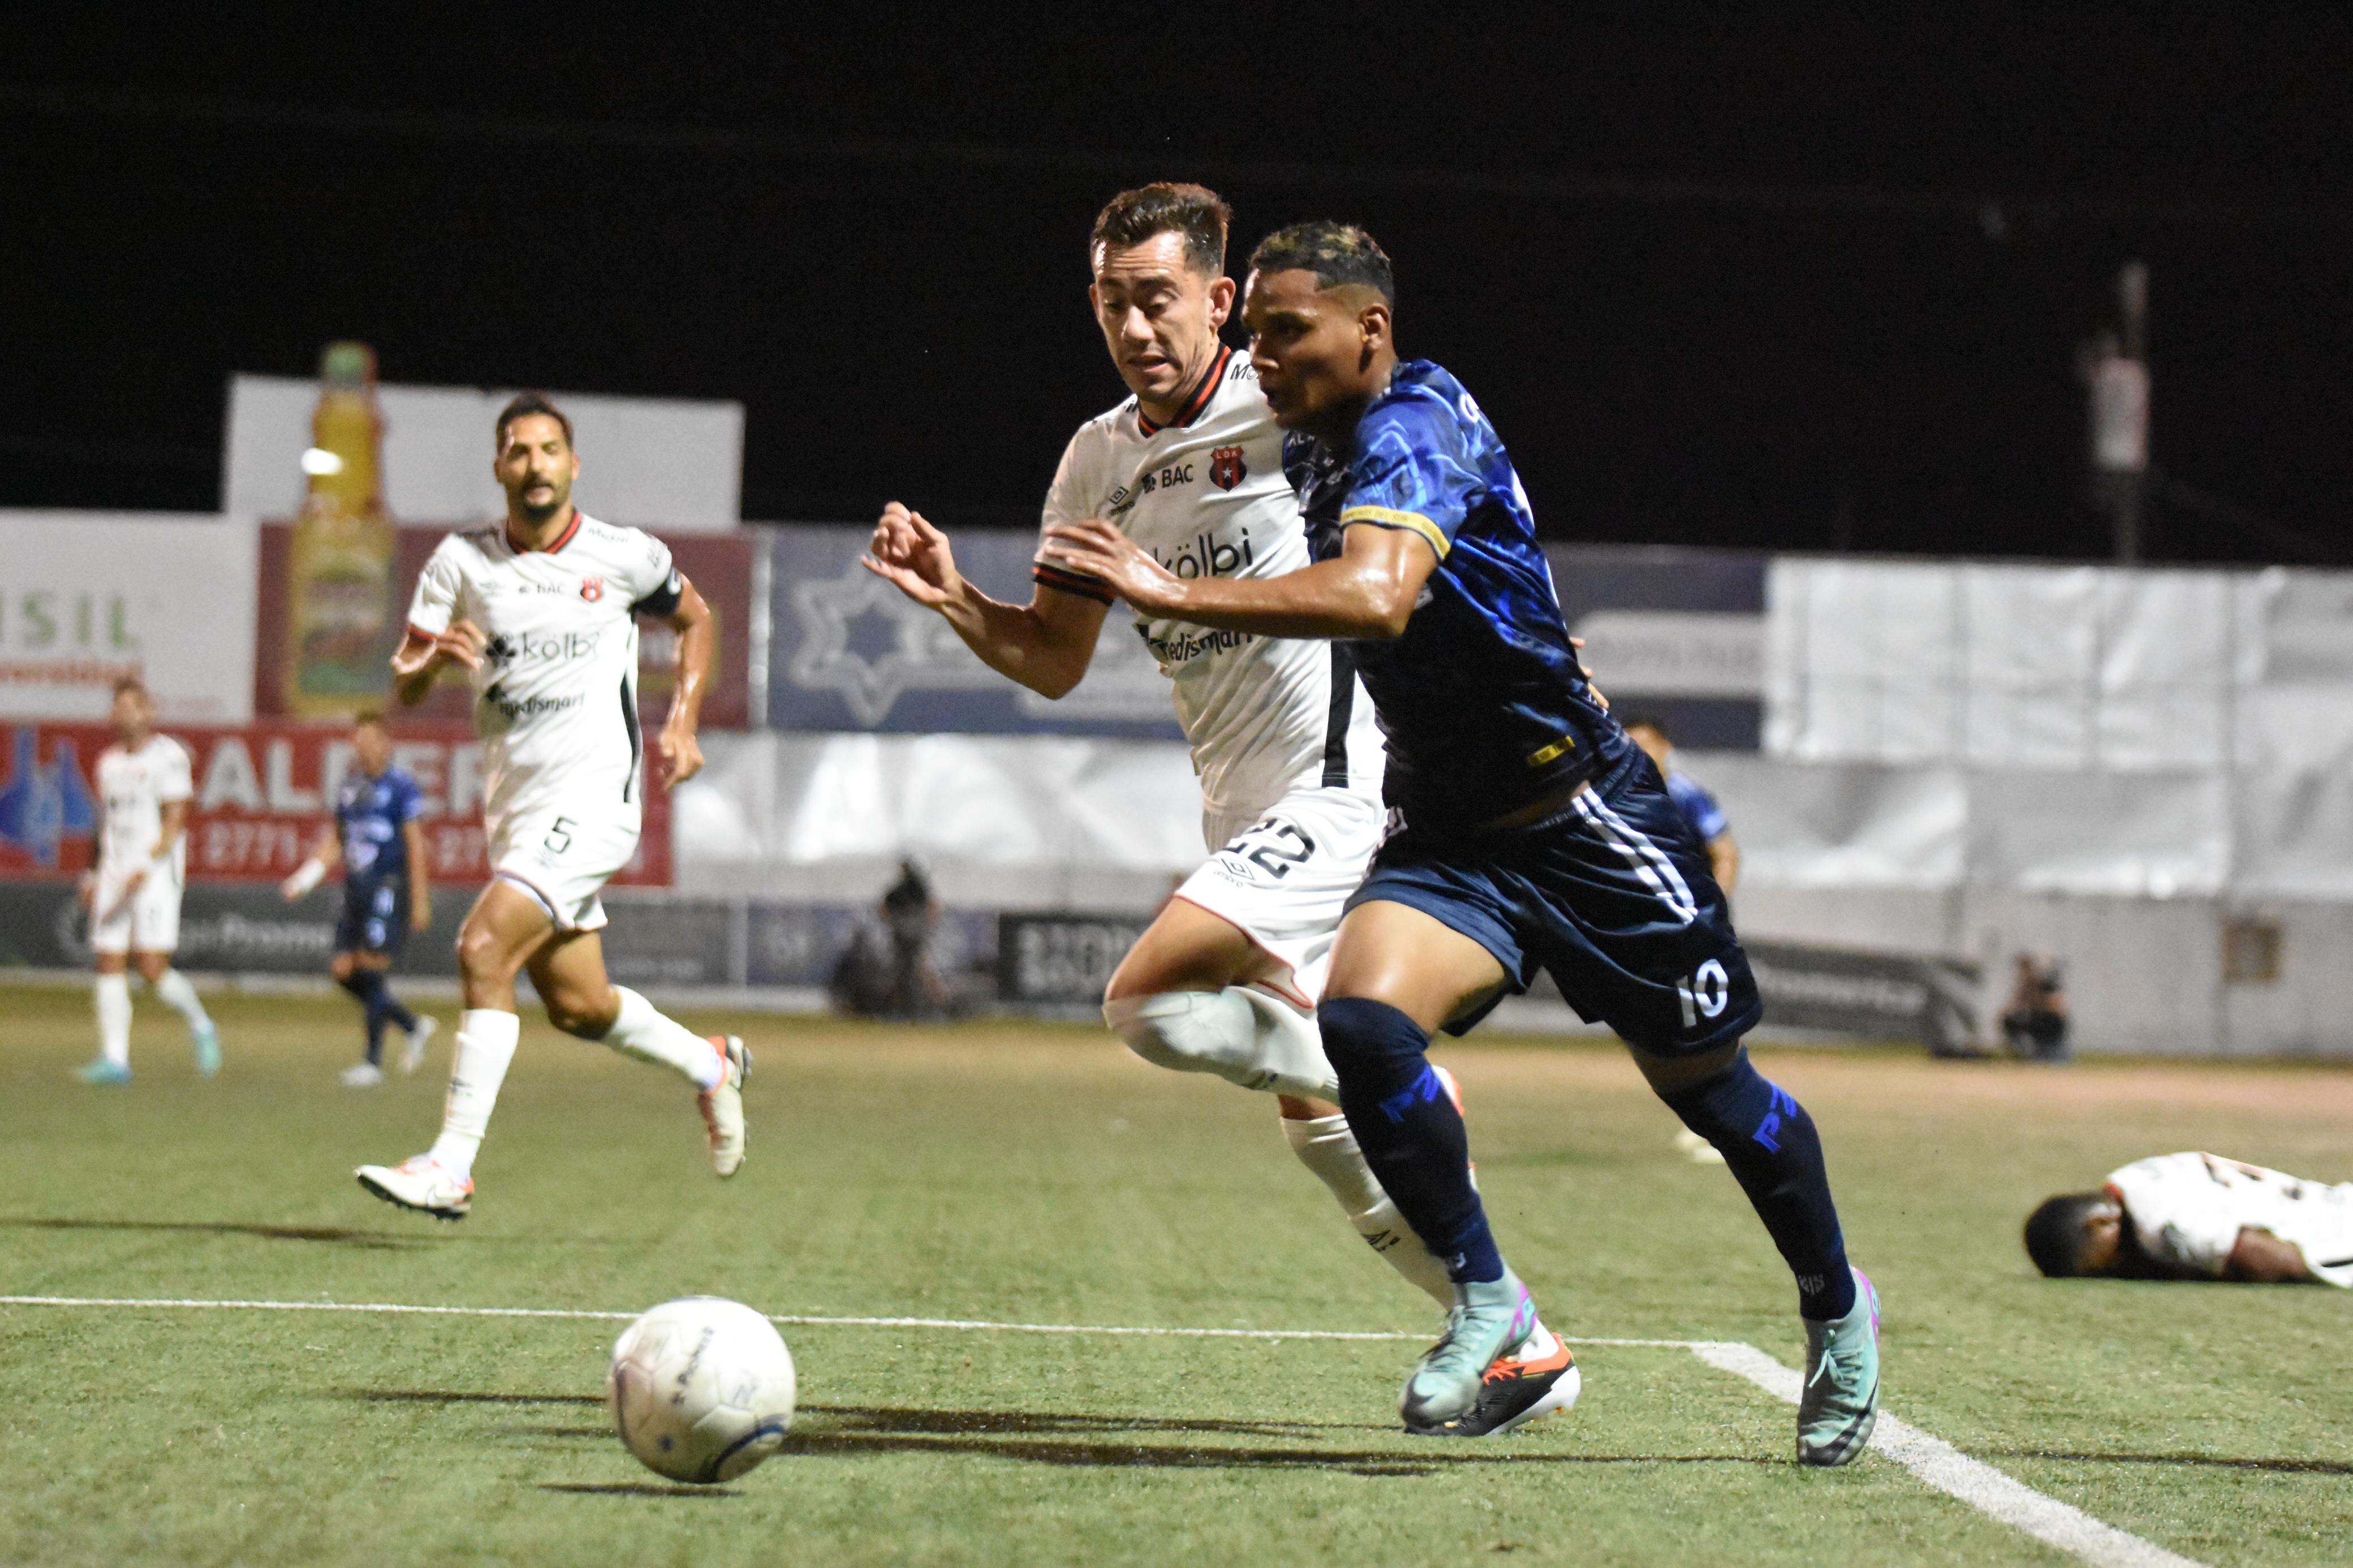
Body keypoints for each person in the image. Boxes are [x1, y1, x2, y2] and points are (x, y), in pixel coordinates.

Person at [1040, 221, 1880, 1465]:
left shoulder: (1411, 423)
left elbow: (1378, 594)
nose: (1260, 358)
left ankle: (1837, 1307)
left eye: (1285, 332)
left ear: (1369, 331)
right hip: (1453, 833)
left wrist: (1171, 591)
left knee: (1715, 1097)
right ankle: (1490, 1305)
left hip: (1581, 818)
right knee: (1363, 1027)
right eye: (1253, 333)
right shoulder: (1317, 448)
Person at [865, 183, 1574, 1437]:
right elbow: (1054, 654)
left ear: (1219, 298)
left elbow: (1399, 546)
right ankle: (1519, 1334)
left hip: (1347, 781)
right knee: (1314, 1123)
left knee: (1143, 1000)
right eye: (1110, 303)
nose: (1135, 325)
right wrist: (952, 597)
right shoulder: (1095, 458)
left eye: (1156, 298)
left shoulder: (1291, 404)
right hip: (1238, 809)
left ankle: (1387, 1089)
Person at [354, 393, 747, 1220]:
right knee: (578, 1005)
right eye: (519, 452)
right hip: (520, 808)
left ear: (573, 464)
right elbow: (405, 677)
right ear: (501, 467)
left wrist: (682, 720)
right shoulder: (459, 562)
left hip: (596, 795)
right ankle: (713, 1065)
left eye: (549, 449)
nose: (535, 465)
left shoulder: (623, 555)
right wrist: (429, 668)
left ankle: (450, 1169)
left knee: (483, 947)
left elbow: (697, 616)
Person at [279, 709, 439, 1086]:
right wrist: (305, 878)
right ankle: (412, 1025)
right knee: (342, 971)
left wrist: (420, 899)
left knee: (371, 967)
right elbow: (336, 840)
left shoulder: (401, 787)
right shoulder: (351, 786)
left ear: (387, 744)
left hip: (388, 886)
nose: (364, 746)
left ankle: (371, 1062)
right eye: (358, 739)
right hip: (355, 888)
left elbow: (416, 845)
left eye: (371, 739)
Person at [75, 676, 220, 1083]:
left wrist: (147, 861)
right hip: (115, 871)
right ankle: (115, 1060)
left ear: (150, 711)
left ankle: (201, 1024)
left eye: (133, 705)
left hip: (155, 873)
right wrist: (91, 873)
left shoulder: (169, 757)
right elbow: (103, 822)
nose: (125, 712)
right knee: (108, 959)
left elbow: (176, 818)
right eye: (118, 705)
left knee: (152, 968)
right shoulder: (108, 763)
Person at [1625, 718, 1739, 1164]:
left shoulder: (1687, 795)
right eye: (1631, 745)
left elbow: (1726, 853)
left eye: (1648, 745)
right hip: (1645, 928)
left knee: (1712, 1018)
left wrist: (1711, 913)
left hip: (1694, 927)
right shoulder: (1616, 792)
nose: (1641, 754)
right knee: (1658, 1024)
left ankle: (1728, 1119)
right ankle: (1709, 1116)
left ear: (1666, 747)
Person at [2025, 1152, 2351, 1286]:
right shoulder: (2131, 1178)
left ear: (2099, 1223)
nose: (2119, 1268)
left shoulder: (2158, 1219)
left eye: (2104, 1264)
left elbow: (2265, 1255)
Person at [1998, 953, 2070, 1061]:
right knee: (2011, 1022)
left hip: (2049, 1022)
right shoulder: (2025, 987)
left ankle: (2047, 1055)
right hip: (2035, 1020)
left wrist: (2039, 1003)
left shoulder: (2047, 985)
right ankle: (2024, 1055)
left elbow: (2059, 1009)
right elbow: (2015, 1005)